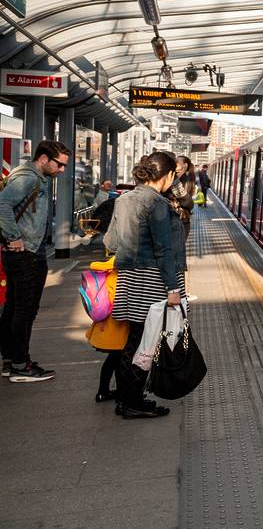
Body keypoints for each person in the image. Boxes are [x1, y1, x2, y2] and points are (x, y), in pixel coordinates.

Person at [104, 152, 186, 419]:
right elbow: (164, 250)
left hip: (129, 278)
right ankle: (131, 402)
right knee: (146, 344)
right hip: (153, 280)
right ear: (168, 175)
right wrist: (173, 289)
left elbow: (110, 244)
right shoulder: (157, 204)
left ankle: (129, 398)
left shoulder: (123, 199)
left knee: (134, 341)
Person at [0, 140, 70, 382]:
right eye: (59, 164)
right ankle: (21, 364)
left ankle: (10, 359)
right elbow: (2, 204)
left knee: (14, 307)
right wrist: (14, 236)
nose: (61, 170)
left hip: (24, 251)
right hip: (26, 252)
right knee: (25, 309)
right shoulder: (29, 178)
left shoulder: (34, 178)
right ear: (43, 158)